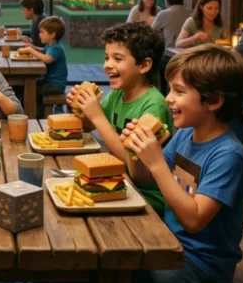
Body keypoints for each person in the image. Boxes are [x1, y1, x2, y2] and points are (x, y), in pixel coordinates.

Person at [121, 45, 243, 283]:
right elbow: (144, 179)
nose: (168, 99)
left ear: (214, 100)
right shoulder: (184, 136)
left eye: (179, 92)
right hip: (169, 246)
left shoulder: (228, 155)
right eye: (170, 90)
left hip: (203, 266)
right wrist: (137, 151)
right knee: (108, 270)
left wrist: (155, 160)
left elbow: (193, 219)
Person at [67, 22, 172, 213]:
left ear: (144, 65)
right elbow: (87, 126)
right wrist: (81, 108)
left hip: (146, 197)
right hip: (117, 182)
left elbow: (133, 166)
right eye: (107, 57)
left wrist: (97, 115)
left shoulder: (153, 106)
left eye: (118, 58)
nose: (108, 65)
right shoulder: (118, 93)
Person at [17, 16, 68, 115]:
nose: (39, 34)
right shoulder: (50, 46)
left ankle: (34, 115)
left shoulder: (56, 48)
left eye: (42, 32)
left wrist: (31, 50)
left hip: (56, 85)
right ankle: (35, 112)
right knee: (30, 86)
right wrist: (33, 47)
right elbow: (43, 50)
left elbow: (47, 59)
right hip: (49, 82)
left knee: (31, 90)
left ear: (52, 34)